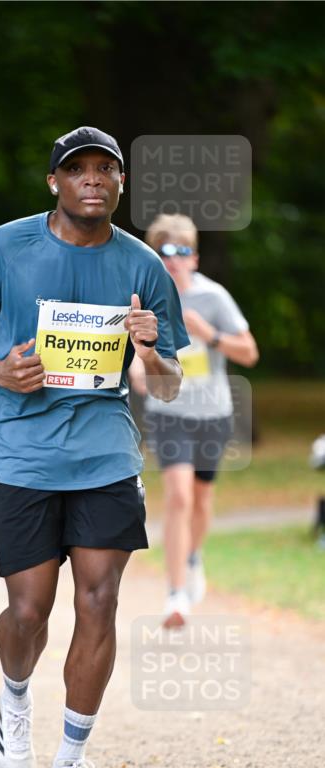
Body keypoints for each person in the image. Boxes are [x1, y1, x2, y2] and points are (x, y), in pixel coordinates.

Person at [0, 126, 188, 768]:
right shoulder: (5, 247)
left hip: (104, 451)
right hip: (21, 448)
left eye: (104, 169)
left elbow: (166, 386)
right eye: (76, 169)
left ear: (120, 183)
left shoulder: (141, 267)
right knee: (28, 608)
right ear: (54, 182)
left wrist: (151, 353)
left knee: (99, 602)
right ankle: (14, 698)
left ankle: (71, 761)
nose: (91, 179)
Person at [131, 214, 259, 628]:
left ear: (195, 258)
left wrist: (209, 333)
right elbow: (135, 366)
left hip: (213, 414)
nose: (174, 259)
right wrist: (143, 366)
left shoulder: (213, 297)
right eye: (164, 252)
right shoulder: (146, 301)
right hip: (169, 414)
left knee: (202, 500)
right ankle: (176, 595)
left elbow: (249, 352)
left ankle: (192, 555)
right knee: (179, 497)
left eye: (182, 251)